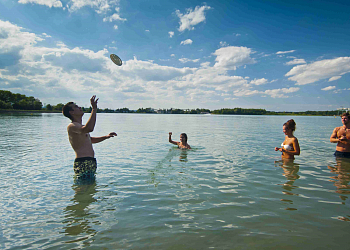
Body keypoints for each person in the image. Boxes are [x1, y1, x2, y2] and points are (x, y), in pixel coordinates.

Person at [62, 95, 117, 179]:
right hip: (83, 161)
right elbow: (89, 128)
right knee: (83, 188)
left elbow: (90, 140)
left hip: (90, 161)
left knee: (90, 188)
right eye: (76, 107)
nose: (80, 107)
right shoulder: (72, 126)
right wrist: (94, 109)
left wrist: (106, 136)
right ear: (71, 112)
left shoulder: (80, 127)